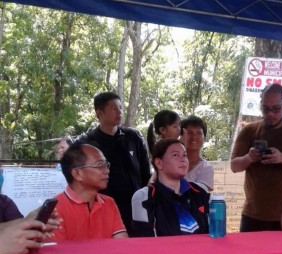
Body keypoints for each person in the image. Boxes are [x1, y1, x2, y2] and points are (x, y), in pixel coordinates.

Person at [230, 83, 282, 232]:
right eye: (265, 109)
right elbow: (234, 166)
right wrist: (249, 157)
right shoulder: (249, 130)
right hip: (252, 213)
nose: (270, 114)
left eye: (276, 108)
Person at [76, 92, 151, 235]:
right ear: (100, 113)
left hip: (137, 208)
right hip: (104, 209)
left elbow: (145, 173)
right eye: (114, 108)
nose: (120, 112)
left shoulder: (133, 137)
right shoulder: (87, 143)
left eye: (121, 108)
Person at [131, 139, 209, 237]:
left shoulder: (199, 191)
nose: (183, 159)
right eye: (175, 155)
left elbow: (214, 232)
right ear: (159, 163)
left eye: (184, 155)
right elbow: (144, 241)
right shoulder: (144, 196)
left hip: (202, 251)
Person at [52, 143, 128, 240]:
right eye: (100, 165)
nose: (107, 170)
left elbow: (122, 245)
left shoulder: (109, 203)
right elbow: (58, 253)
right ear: (77, 173)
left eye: (106, 164)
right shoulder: (55, 208)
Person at [180, 115, 214, 191]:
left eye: (199, 133)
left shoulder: (206, 168)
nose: (194, 137)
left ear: (204, 138)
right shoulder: (171, 162)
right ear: (182, 136)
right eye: (189, 133)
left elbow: (199, 194)